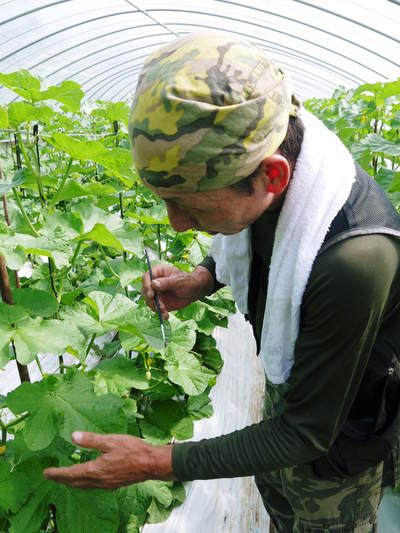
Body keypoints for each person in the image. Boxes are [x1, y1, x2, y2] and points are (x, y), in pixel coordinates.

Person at [44, 32, 400, 532]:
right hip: (291, 404)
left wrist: (155, 461)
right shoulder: (271, 152)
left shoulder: (355, 258)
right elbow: (255, 236)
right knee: (279, 508)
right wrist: (203, 279)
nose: (176, 223)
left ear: (271, 178)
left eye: (189, 204)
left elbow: (305, 433)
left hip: (338, 446)